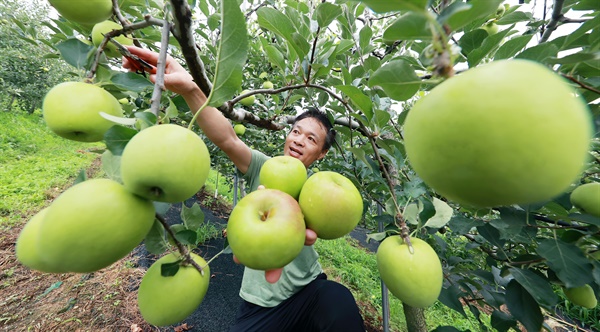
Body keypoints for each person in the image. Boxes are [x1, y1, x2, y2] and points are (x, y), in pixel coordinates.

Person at [122, 46, 366, 332]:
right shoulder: (264, 168)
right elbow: (228, 138)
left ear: (321, 153)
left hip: (308, 290)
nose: (299, 140)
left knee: (339, 301)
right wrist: (191, 89)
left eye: (311, 139)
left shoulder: (320, 191)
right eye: (296, 131)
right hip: (261, 301)